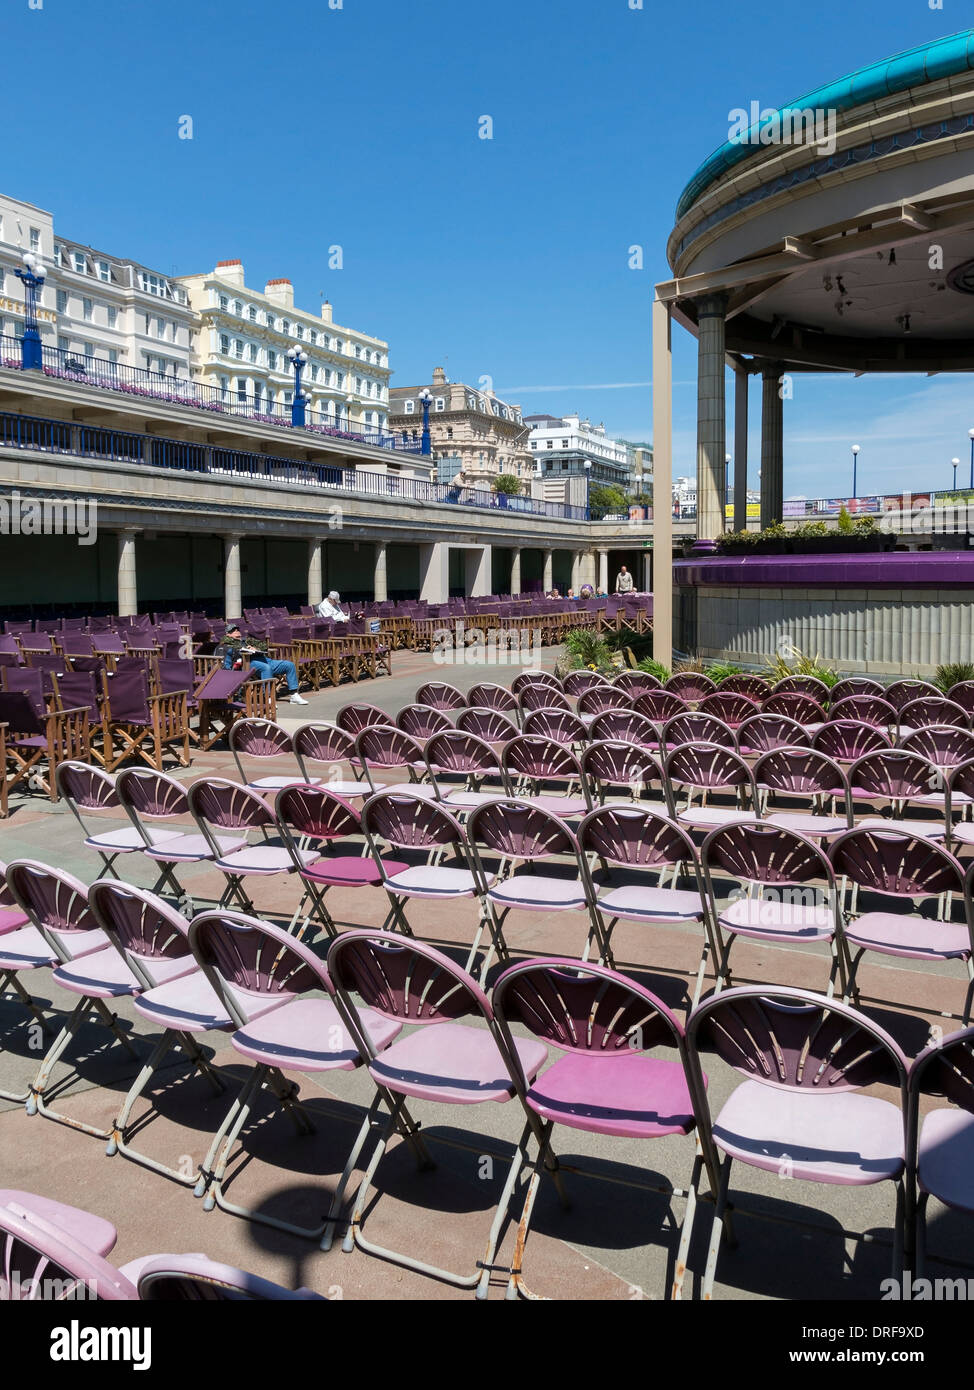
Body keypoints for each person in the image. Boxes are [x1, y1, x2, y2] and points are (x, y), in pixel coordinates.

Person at [218, 623, 307, 705]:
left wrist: (255, 647)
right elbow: (228, 661)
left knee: (289, 665)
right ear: (228, 634)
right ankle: (268, 698)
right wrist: (246, 649)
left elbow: (264, 645)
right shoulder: (227, 645)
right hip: (249, 662)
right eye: (233, 631)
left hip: (264, 659)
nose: (236, 632)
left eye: (237, 630)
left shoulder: (246, 640)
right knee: (266, 668)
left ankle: (294, 695)